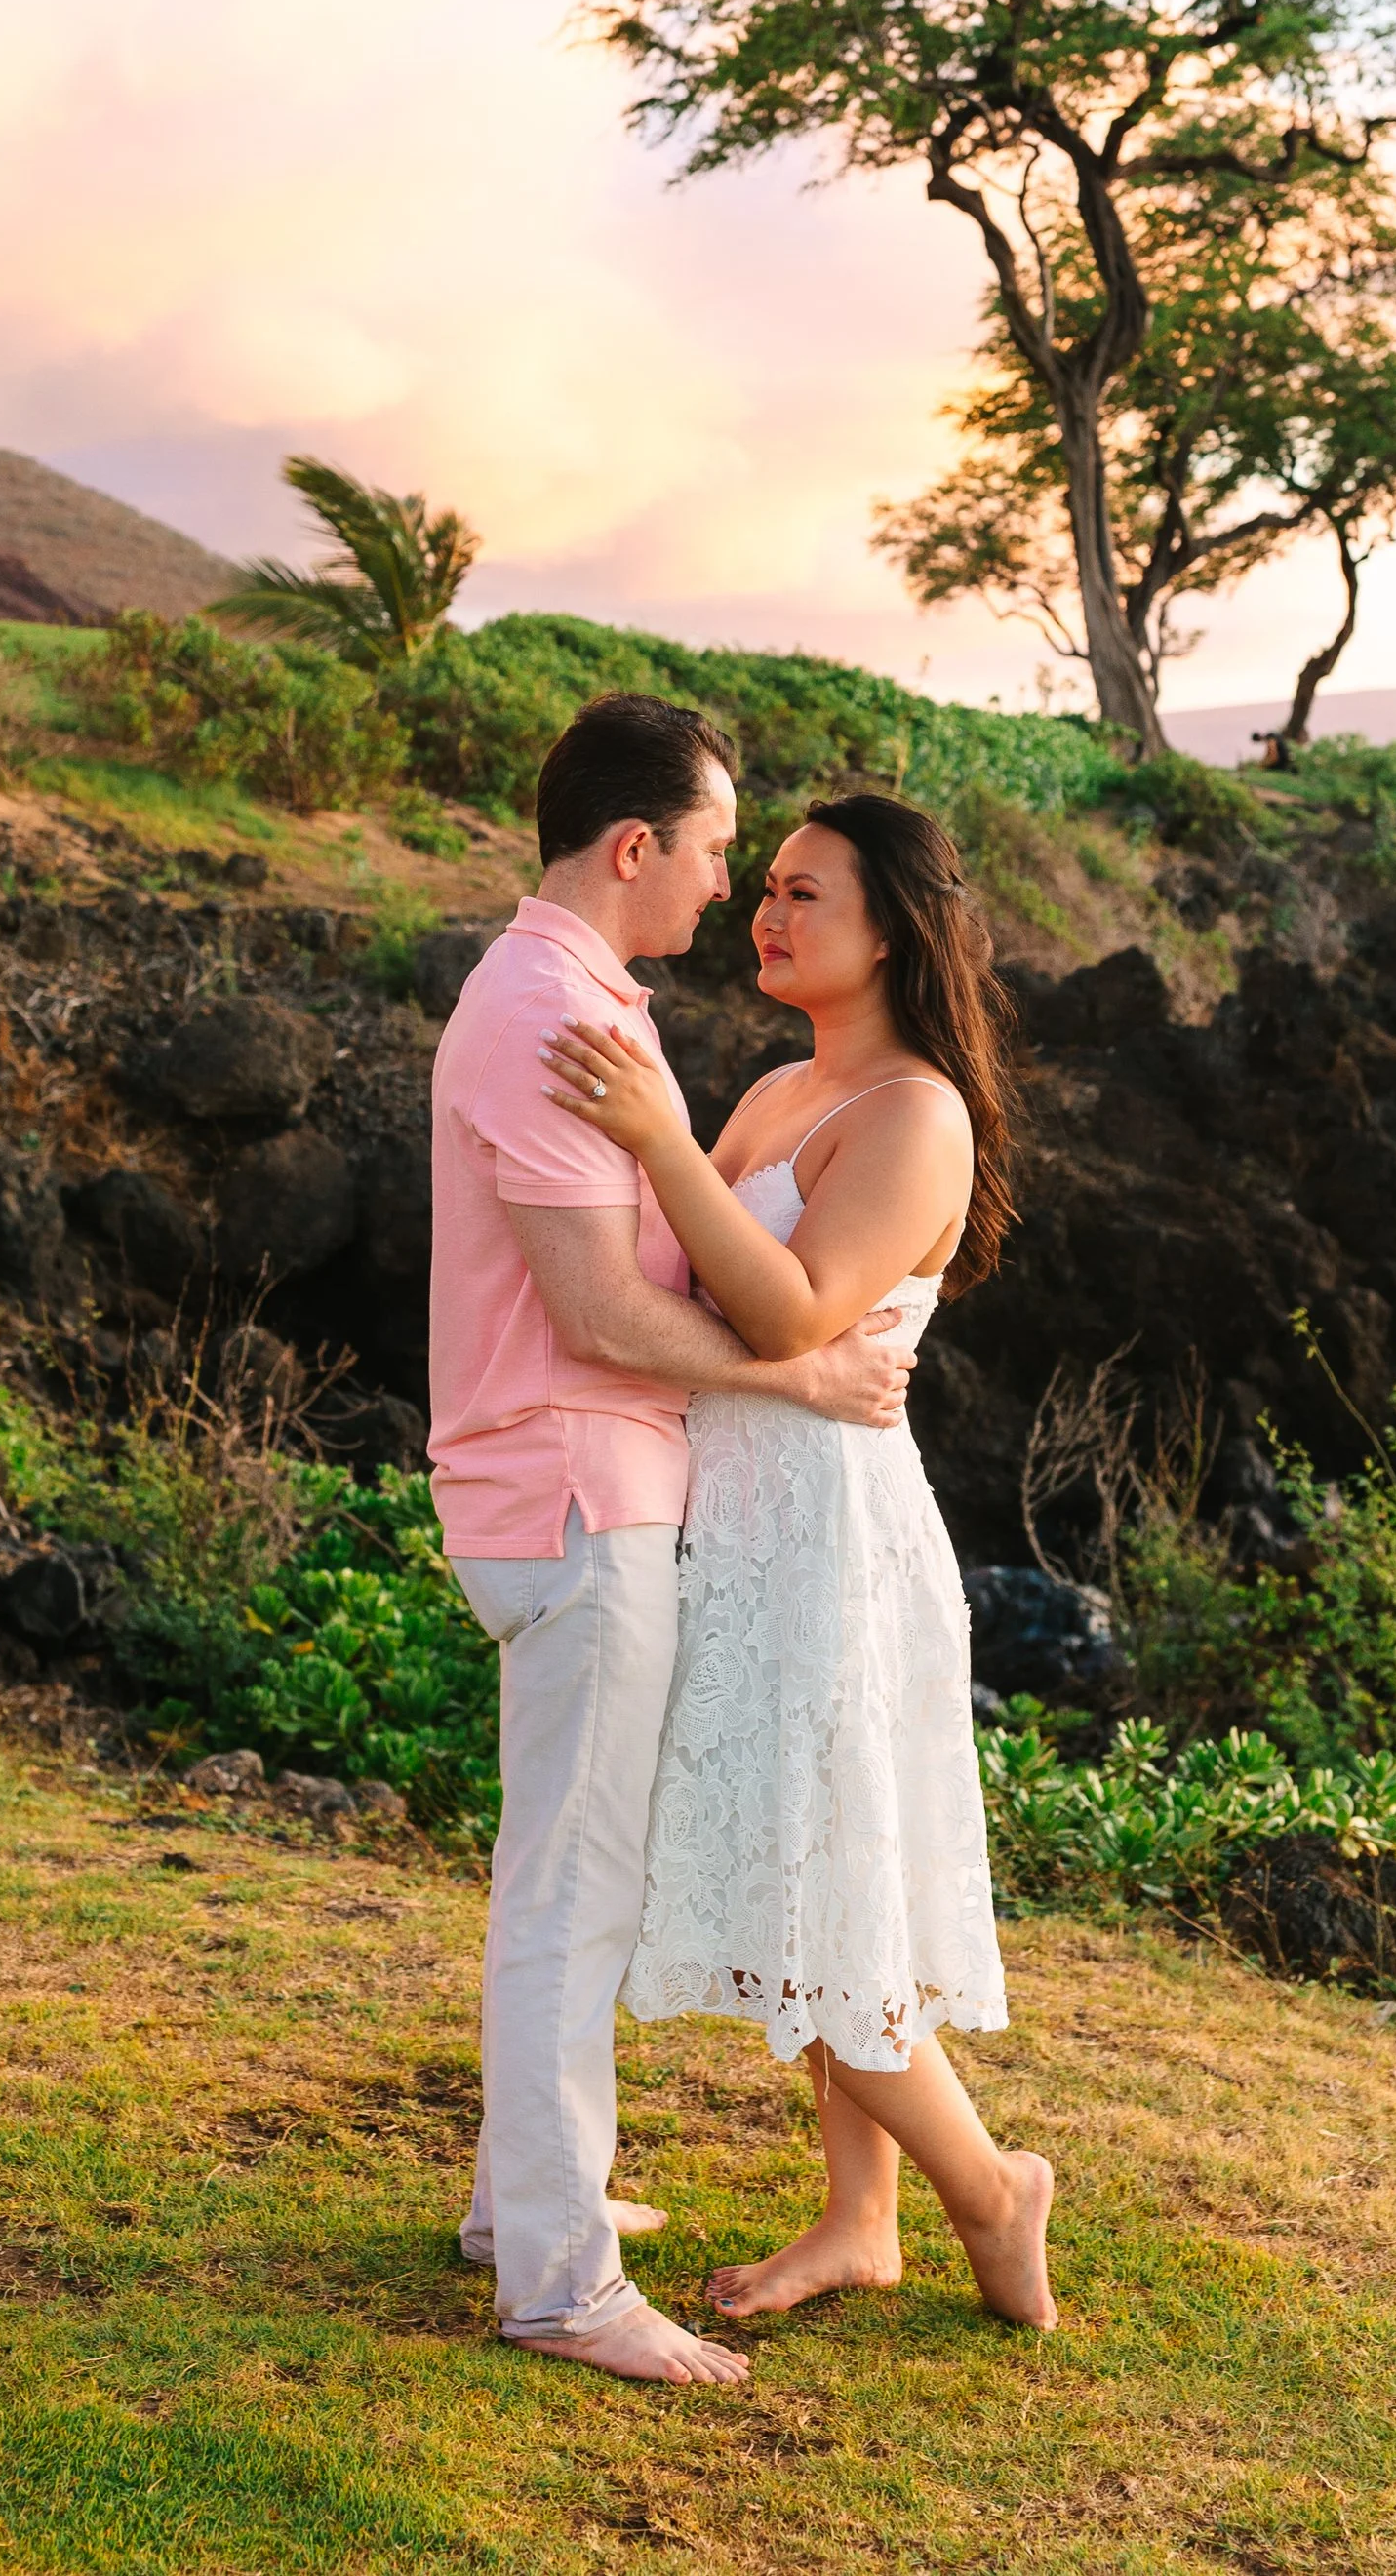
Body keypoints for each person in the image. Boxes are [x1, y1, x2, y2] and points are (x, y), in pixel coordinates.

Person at [430, 695, 919, 2388]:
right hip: (574, 1491)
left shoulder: (573, 1000)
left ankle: (521, 2205)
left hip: (578, 1487)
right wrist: (814, 1367)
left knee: (553, 1879)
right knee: (574, 1898)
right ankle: (561, 2284)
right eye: (718, 851)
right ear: (635, 847)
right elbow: (600, 1312)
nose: (726, 889)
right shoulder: (549, 1010)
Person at [538, 792, 1056, 2332]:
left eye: (803, 893)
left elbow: (789, 1312)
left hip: (832, 1535)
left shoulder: (916, 1114)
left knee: (831, 1891)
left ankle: (991, 2187)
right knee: (813, 1881)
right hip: (744, 1514)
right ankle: (860, 2220)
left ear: (889, 926)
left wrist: (648, 1136)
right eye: (760, 886)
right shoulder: (775, 1089)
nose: (765, 913)